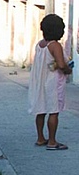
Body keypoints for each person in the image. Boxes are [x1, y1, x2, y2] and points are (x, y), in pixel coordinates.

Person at [28, 14, 72, 150]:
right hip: (52, 82)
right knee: (54, 111)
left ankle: (41, 138)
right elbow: (61, 64)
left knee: (40, 110)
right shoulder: (55, 45)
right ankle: (52, 141)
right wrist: (68, 70)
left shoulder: (40, 44)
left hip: (40, 82)